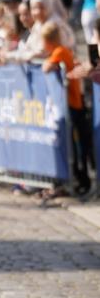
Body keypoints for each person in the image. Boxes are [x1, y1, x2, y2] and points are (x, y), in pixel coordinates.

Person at [41, 20, 91, 195]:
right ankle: (77, 179)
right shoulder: (62, 51)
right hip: (72, 104)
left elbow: (46, 67)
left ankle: (81, 180)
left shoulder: (60, 51)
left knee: (76, 148)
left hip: (73, 105)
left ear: (48, 40)